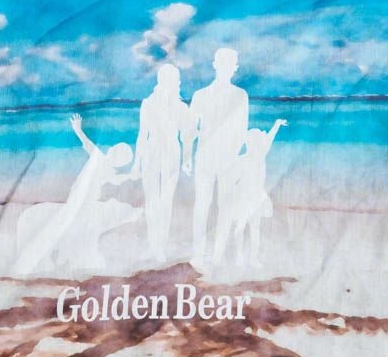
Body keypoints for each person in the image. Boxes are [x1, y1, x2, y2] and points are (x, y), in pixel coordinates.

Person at [15, 114, 137, 274]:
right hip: (80, 201)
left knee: (81, 226)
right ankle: (62, 256)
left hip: (86, 201)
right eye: (117, 151)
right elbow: (88, 144)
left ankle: (65, 257)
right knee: (74, 224)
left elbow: (115, 179)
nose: (113, 152)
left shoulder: (105, 165)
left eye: (119, 156)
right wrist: (78, 129)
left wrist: (131, 176)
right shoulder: (100, 158)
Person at [184, 47, 249, 263]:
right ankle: (202, 253)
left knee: (219, 205)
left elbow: (241, 131)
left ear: (234, 67)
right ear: (216, 65)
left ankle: (215, 253)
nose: (227, 68)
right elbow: (190, 129)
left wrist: (233, 155)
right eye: (224, 63)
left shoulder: (239, 95)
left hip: (221, 158)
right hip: (207, 157)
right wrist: (187, 156)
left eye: (229, 64)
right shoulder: (202, 95)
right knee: (206, 205)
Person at [132, 64, 192, 262]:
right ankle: (153, 246)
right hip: (151, 151)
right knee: (152, 202)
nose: (174, 83)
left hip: (171, 152)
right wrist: (136, 163)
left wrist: (187, 159)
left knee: (165, 201)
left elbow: (186, 136)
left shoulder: (181, 108)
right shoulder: (148, 104)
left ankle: (160, 247)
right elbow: (142, 135)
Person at [226, 119, 287, 266]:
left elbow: (269, 139)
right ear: (250, 143)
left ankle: (253, 258)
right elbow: (231, 180)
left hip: (256, 197)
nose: (259, 144)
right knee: (242, 227)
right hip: (243, 197)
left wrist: (276, 125)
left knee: (254, 228)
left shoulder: (259, 157)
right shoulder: (243, 159)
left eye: (258, 141)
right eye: (256, 141)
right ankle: (240, 256)